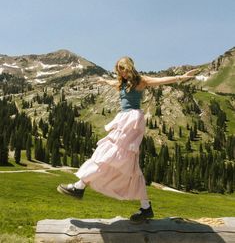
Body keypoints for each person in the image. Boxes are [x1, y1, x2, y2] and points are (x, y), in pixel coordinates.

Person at [57, 56, 198, 223]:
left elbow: (161, 81)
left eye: (123, 68)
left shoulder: (141, 81)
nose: (121, 72)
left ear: (129, 67)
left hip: (132, 120)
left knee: (108, 155)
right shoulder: (121, 83)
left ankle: (79, 187)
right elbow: (112, 83)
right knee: (125, 163)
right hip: (123, 119)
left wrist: (182, 77)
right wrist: (103, 80)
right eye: (118, 70)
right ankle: (145, 207)